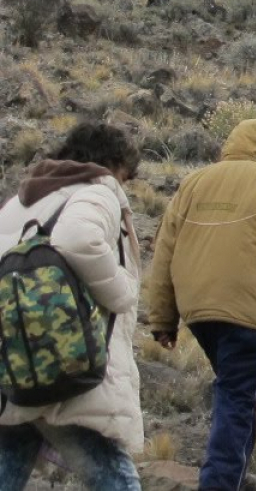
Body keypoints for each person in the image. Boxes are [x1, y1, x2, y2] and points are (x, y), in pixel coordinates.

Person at [147, 118, 256, 491]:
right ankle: (220, 482)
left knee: (234, 390)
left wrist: (163, 318)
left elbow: (164, 251)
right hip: (242, 311)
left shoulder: (194, 182)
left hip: (197, 310)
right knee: (237, 397)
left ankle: (235, 477)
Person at [0, 123, 145, 490]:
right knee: (114, 476)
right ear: (112, 165)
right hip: (67, 365)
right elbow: (78, 238)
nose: (124, 185)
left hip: (16, 365)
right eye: (125, 176)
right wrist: (123, 291)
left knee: (11, 458)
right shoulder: (96, 193)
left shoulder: (21, 200)